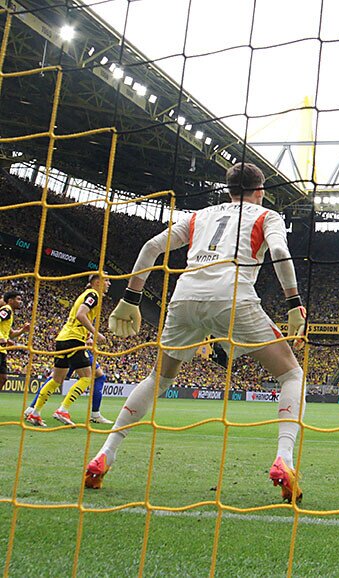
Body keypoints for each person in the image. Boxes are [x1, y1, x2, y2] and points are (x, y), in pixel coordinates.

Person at [82, 162, 308, 505]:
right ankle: (284, 459)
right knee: (291, 374)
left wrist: (131, 298)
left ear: (229, 190)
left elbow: (151, 247)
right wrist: (293, 303)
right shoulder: (267, 216)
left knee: (157, 379)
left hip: (185, 296)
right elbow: (278, 251)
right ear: (260, 191)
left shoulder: (199, 215)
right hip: (233, 296)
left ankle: (104, 454)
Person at [24, 274, 109, 427]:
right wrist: (96, 333)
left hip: (62, 339)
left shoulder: (84, 295)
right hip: (73, 340)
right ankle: (63, 410)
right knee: (87, 377)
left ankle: (35, 413)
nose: (109, 284)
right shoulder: (93, 295)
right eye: (106, 280)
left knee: (56, 380)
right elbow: (80, 315)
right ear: (97, 282)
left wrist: (88, 335)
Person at [26, 351, 113, 426]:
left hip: (64, 343)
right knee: (90, 377)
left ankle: (33, 410)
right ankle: (64, 410)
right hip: (77, 345)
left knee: (56, 378)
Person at [1, 291, 30, 395]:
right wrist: (1, 338)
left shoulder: (11, 314)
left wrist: (23, 330)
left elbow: (11, 334)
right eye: (18, 299)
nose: (20, 302)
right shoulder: (6, 310)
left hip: (3, 350)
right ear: (10, 300)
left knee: (3, 378)